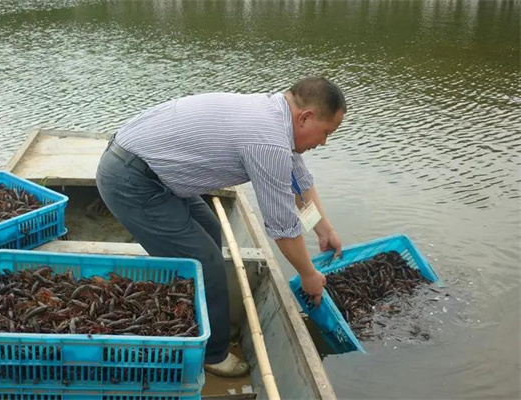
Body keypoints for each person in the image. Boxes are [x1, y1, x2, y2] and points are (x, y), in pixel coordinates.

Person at [95, 76, 346, 378]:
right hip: (132, 181)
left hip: (155, 172)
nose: (323, 142)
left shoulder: (275, 116)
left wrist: (323, 228)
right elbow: (282, 228)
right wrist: (308, 275)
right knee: (206, 263)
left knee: (211, 233)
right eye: (326, 132)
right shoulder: (267, 141)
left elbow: (299, 183)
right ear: (306, 117)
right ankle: (213, 355)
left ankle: (200, 317)